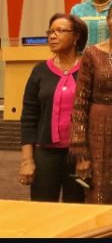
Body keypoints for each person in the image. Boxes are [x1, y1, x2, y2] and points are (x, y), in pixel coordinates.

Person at [69, 2, 112, 205]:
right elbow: (80, 103)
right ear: (108, 20)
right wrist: (81, 153)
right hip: (98, 127)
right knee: (100, 189)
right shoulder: (92, 53)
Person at [19, 13, 88, 202]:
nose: (53, 36)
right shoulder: (40, 71)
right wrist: (27, 160)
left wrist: (86, 155)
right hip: (45, 154)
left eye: (60, 31)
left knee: (76, 213)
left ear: (76, 37)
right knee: (43, 211)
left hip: (80, 156)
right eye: (50, 31)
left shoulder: (89, 68)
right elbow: (29, 118)